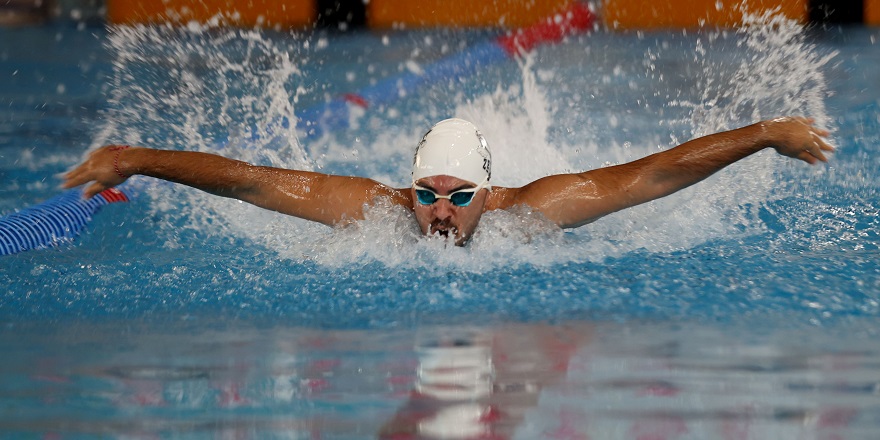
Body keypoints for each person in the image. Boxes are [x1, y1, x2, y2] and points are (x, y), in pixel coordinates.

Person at [62, 116, 834, 246]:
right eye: (426, 193)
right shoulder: (378, 210)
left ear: (487, 194)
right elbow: (249, 182)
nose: (438, 211)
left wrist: (765, 134)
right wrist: (134, 160)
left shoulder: (535, 210)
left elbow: (655, 173)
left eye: (458, 196)